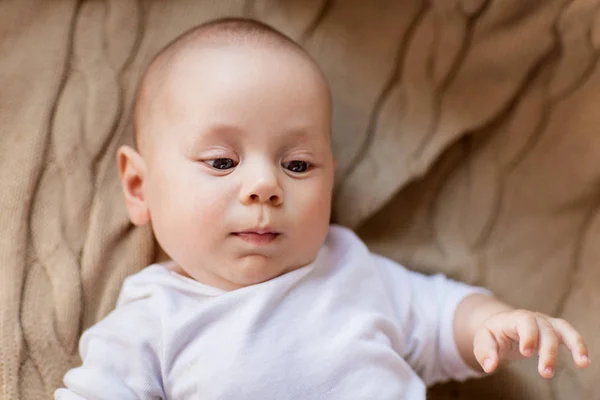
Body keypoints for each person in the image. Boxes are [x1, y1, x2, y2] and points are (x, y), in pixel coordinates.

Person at [55, 17, 590, 399]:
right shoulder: (152, 320)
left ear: (331, 180)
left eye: (298, 165)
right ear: (139, 187)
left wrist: (497, 325)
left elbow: (445, 315)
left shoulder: (351, 269)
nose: (264, 186)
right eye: (222, 162)